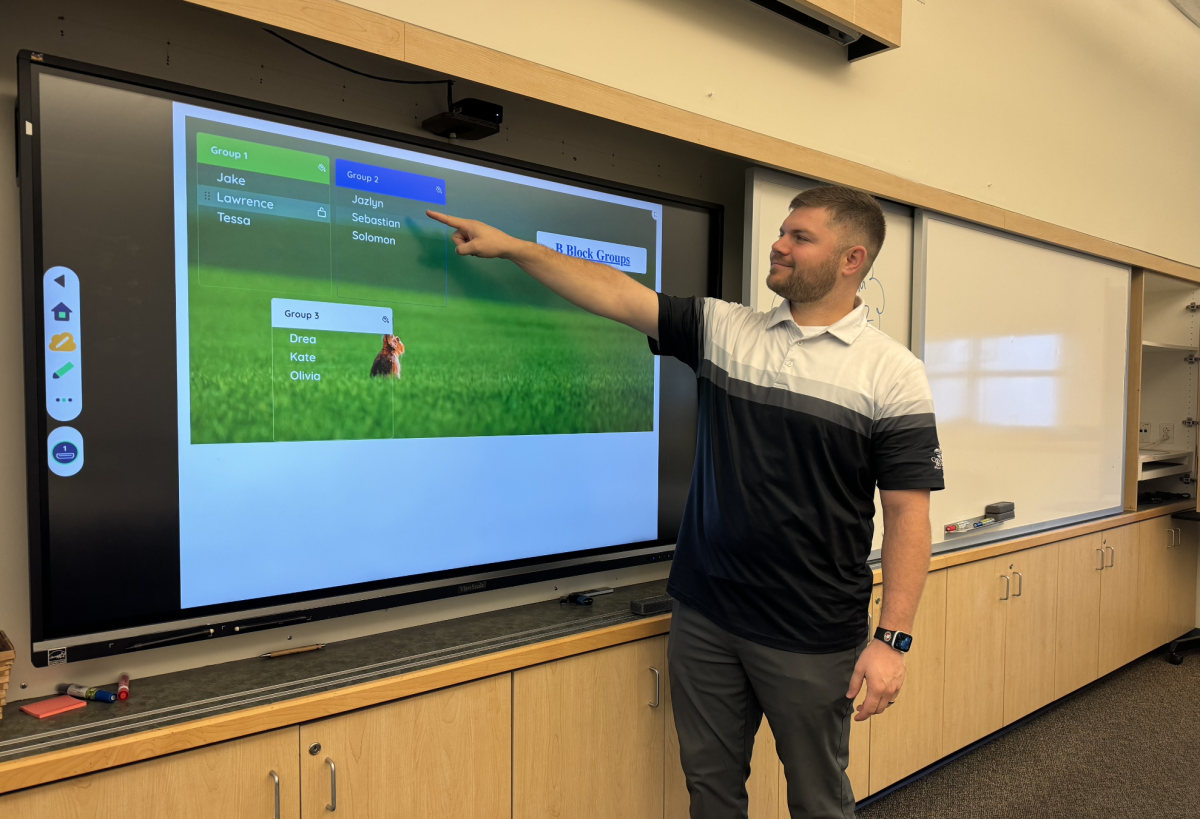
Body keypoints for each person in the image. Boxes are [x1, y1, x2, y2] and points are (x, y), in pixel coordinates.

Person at [426, 184, 942, 819]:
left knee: (818, 799)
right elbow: (617, 293)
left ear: (851, 259)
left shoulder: (892, 373)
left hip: (810, 633)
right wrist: (513, 249)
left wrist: (893, 640)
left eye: (800, 237)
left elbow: (908, 514)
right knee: (710, 792)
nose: (779, 245)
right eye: (782, 230)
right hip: (707, 617)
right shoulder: (727, 330)